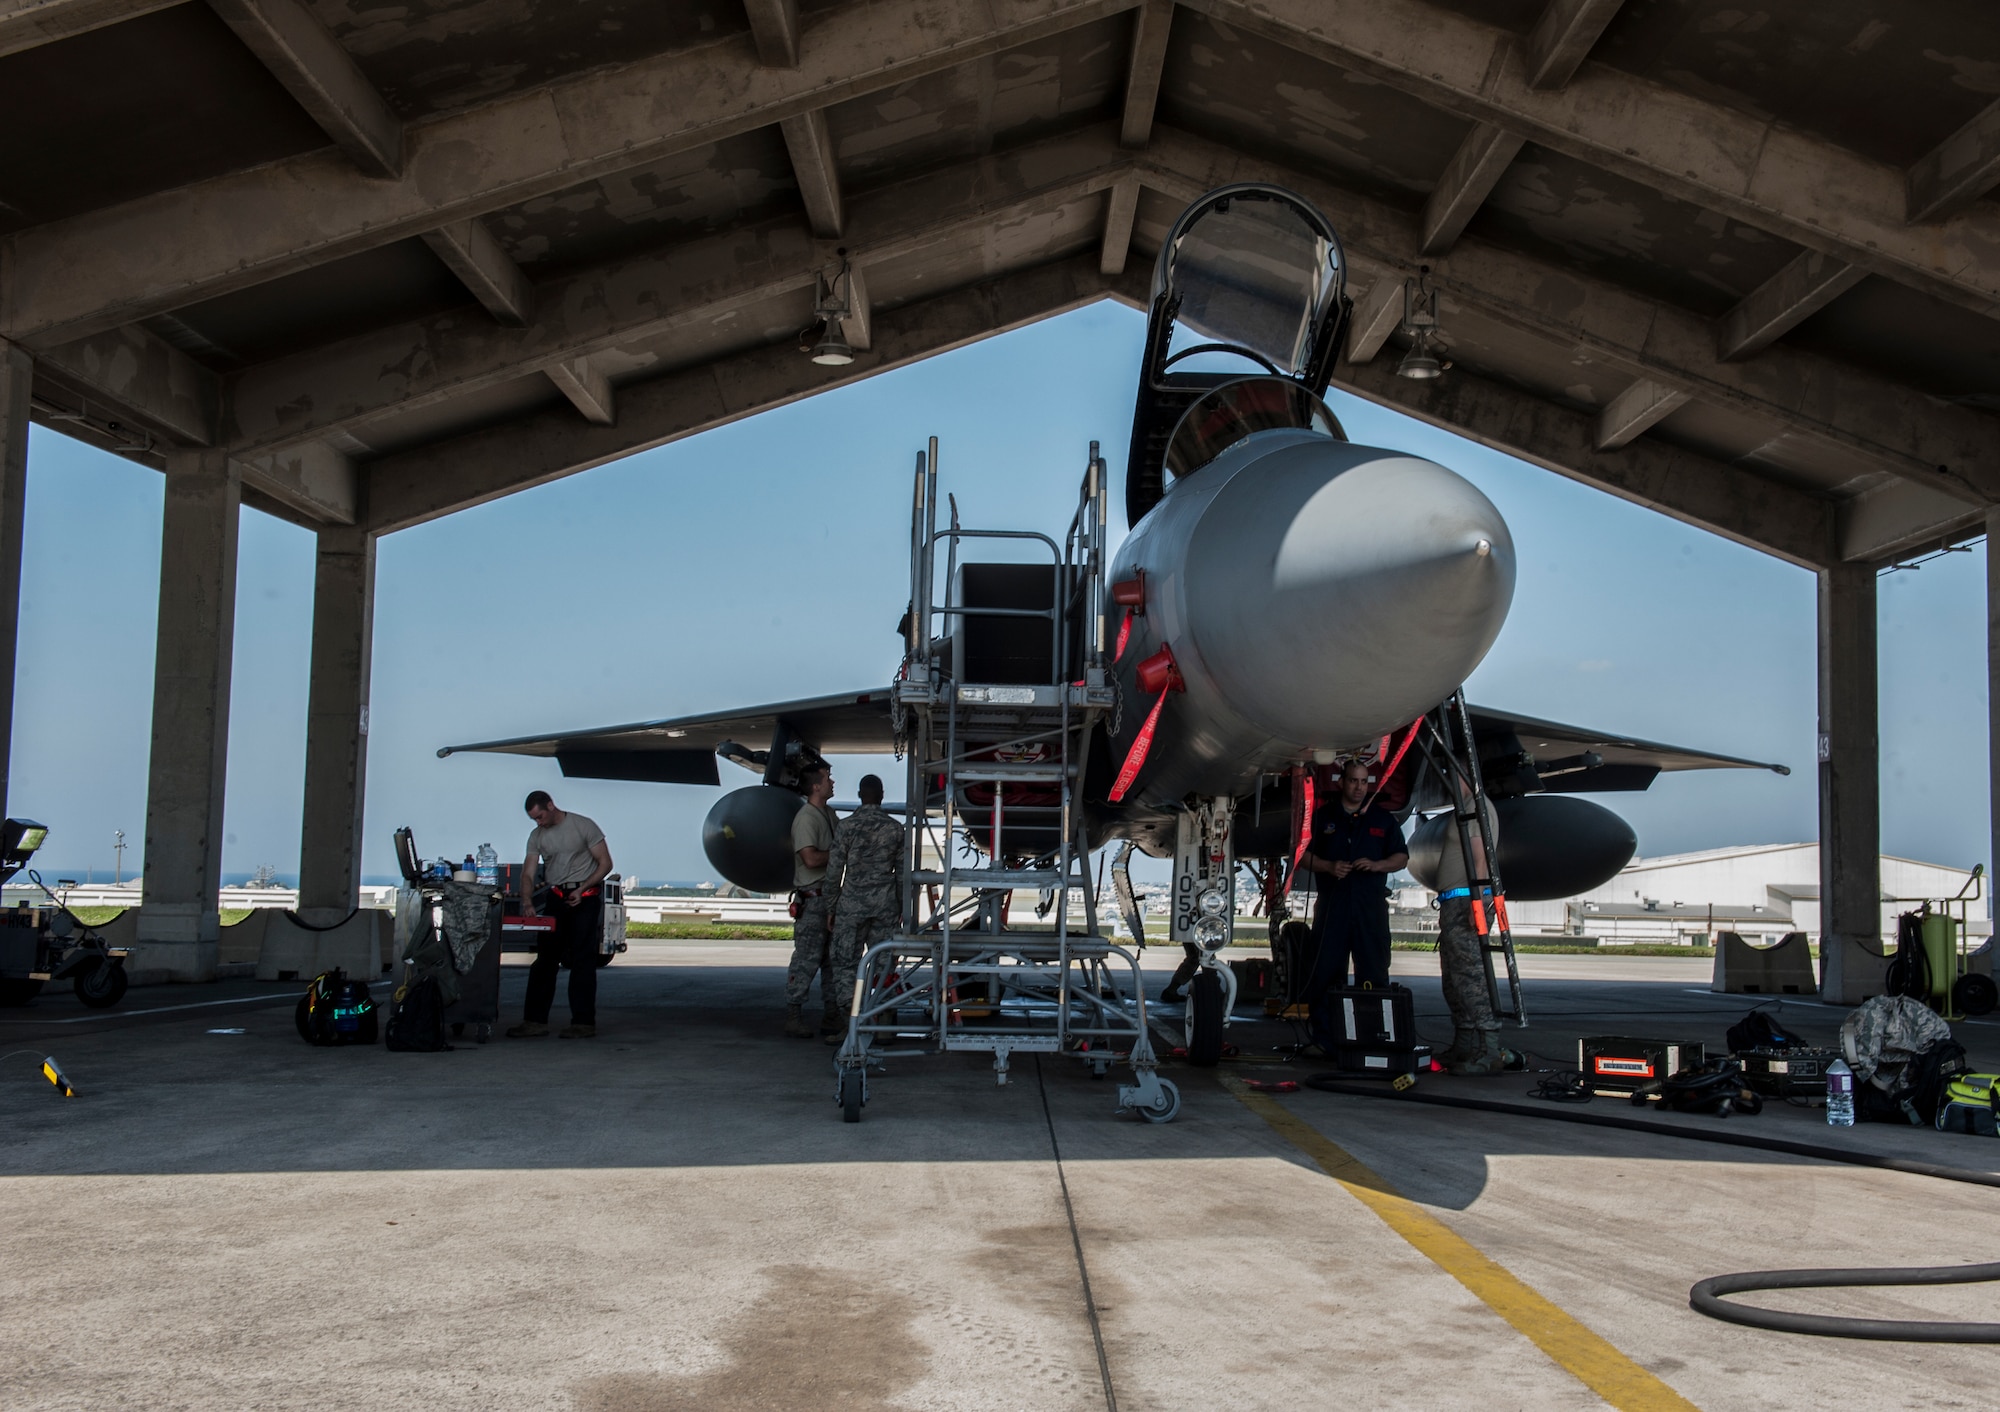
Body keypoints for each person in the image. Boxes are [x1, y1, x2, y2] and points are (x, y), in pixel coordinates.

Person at [1299, 758, 1408, 1011]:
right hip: (1332, 909)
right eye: (1353, 781)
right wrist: (1329, 866)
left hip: (1370, 910)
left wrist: (1377, 865)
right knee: (1326, 973)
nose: (1359, 788)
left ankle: (1371, 1036)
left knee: (1374, 973)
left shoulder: (1382, 820)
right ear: (1341, 783)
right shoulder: (1323, 817)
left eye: (1363, 782)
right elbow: (1303, 856)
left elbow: (1401, 857)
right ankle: (1325, 1040)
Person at [507, 790, 613, 1040]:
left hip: (584, 899)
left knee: (582, 960)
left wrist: (583, 888)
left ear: (551, 806)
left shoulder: (583, 825)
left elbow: (606, 864)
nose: (538, 822)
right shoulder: (537, 836)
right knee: (545, 960)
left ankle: (583, 1023)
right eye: (534, 819)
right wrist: (526, 901)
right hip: (556, 897)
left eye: (540, 816)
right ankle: (534, 1021)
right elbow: (528, 873)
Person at [822, 773, 904, 1044]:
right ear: (881, 796)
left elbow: (834, 871)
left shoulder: (846, 827)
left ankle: (851, 1023)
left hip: (852, 905)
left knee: (845, 963)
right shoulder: (895, 828)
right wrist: (902, 908)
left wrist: (830, 907)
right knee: (885, 963)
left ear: (860, 795)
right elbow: (903, 874)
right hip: (885, 905)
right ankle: (883, 1020)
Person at [1429, 790, 1506, 1075]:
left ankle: (1489, 1050)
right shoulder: (1465, 805)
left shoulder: (1477, 805)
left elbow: (1480, 857)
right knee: (1453, 977)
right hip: (1455, 904)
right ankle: (1463, 1044)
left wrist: (1478, 902)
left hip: (1466, 903)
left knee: (1471, 976)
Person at [784, 763, 840, 1038]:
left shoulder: (828, 814)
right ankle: (794, 1013)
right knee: (806, 960)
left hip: (828, 899)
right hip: (813, 899)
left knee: (833, 961)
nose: (832, 782)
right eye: (827, 779)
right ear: (815, 786)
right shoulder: (807, 818)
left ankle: (832, 1013)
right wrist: (839, 856)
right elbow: (810, 858)